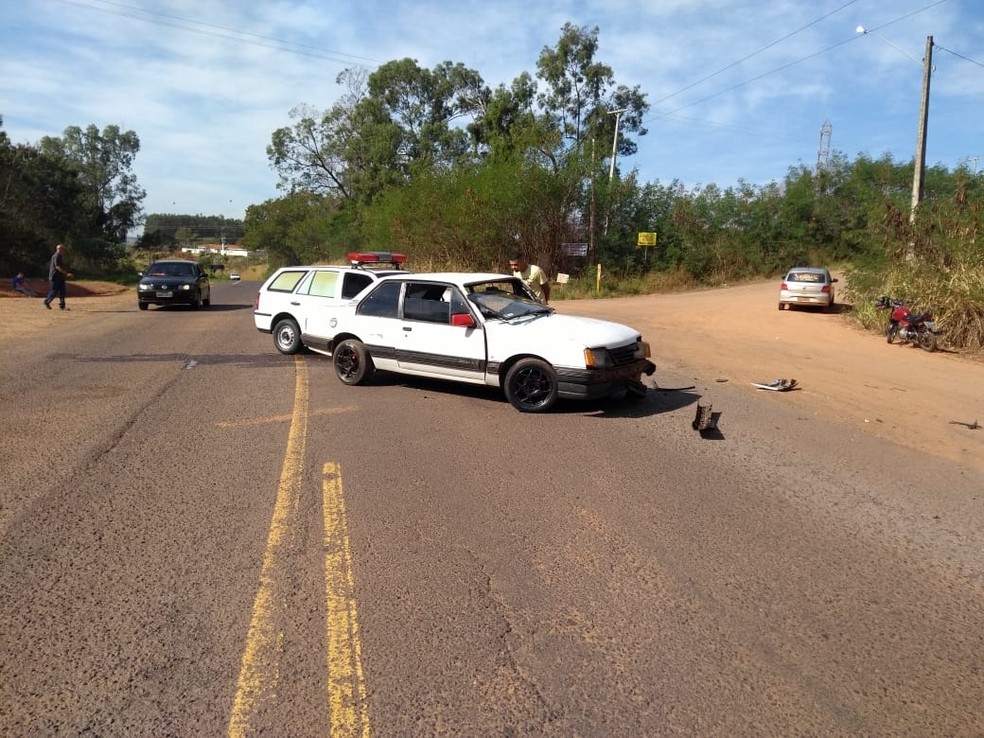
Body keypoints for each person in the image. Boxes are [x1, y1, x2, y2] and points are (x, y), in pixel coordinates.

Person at [43, 243, 73, 310]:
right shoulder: (55, 256)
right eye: (63, 250)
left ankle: (62, 306)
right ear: (59, 249)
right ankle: (46, 302)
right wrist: (66, 273)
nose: (63, 251)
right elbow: (57, 267)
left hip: (60, 277)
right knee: (54, 291)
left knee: (63, 291)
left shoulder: (60, 256)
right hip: (54, 277)